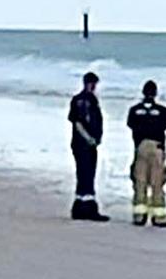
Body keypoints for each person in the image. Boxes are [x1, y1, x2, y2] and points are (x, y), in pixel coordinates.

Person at [127, 81, 166, 226]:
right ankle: (159, 216)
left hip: (140, 146)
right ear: (155, 93)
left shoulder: (135, 110)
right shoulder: (163, 110)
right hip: (157, 147)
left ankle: (139, 215)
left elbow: (131, 124)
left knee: (140, 181)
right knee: (157, 182)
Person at [68, 72, 109, 222]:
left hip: (84, 143)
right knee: (87, 173)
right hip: (84, 143)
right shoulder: (83, 101)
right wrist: (89, 138)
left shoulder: (86, 99)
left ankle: (79, 206)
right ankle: (88, 207)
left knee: (84, 173)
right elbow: (77, 122)